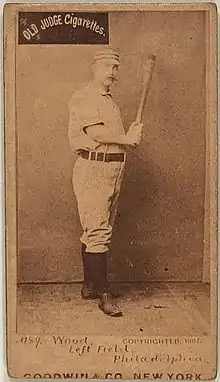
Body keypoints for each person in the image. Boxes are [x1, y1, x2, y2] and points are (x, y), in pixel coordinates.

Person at [68, 48, 143, 317]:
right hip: (93, 168)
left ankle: (90, 285)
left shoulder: (110, 101)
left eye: (116, 67)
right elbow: (98, 133)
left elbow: (114, 138)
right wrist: (129, 138)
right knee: (97, 231)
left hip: (112, 169)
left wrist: (129, 136)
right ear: (94, 67)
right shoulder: (84, 97)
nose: (113, 72)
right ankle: (103, 295)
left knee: (98, 230)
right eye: (108, 66)